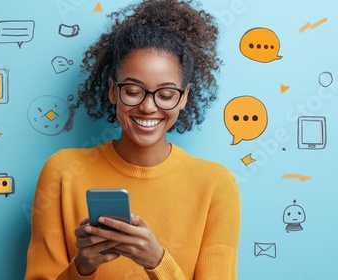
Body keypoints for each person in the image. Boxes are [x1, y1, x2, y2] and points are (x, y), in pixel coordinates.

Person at [24, 0, 241, 279]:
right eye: (133, 90)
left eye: (165, 94)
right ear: (113, 91)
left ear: (184, 97)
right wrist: (82, 266)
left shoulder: (216, 185)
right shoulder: (63, 172)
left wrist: (157, 261)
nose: (148, 107)